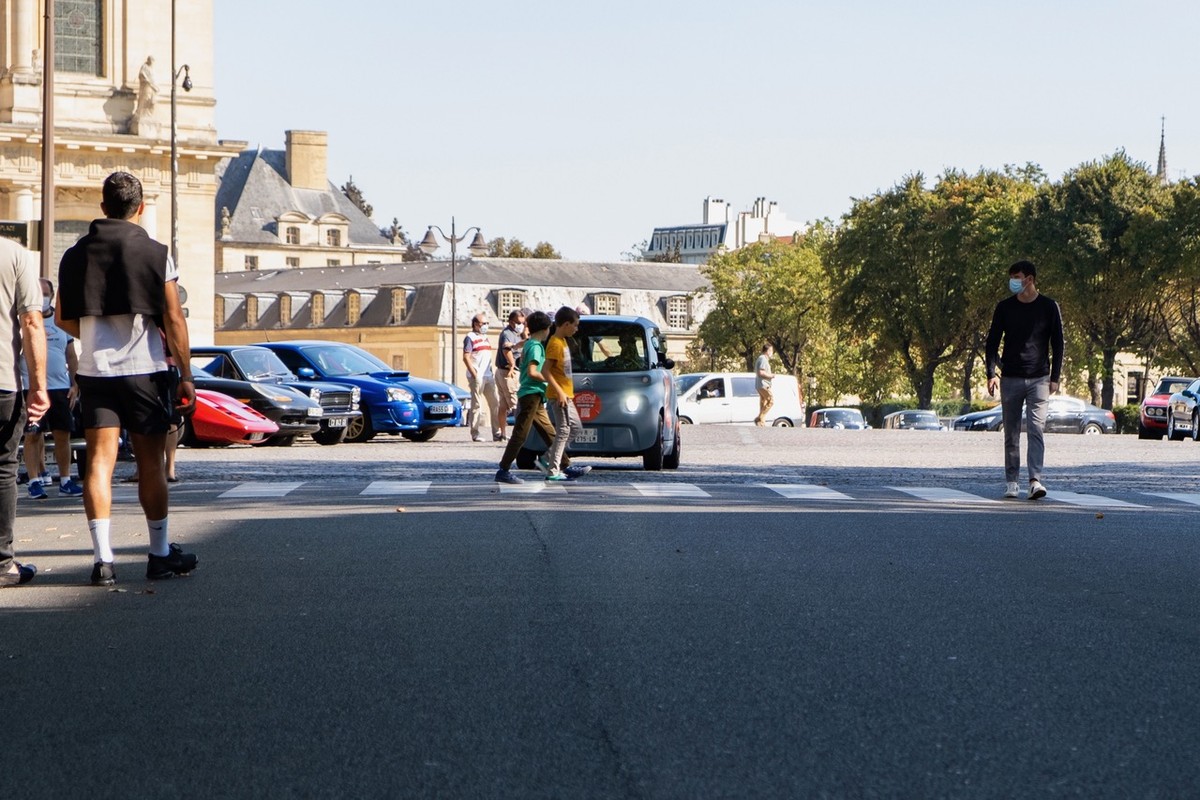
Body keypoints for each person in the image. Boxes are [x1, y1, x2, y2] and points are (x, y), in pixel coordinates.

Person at [57, 171, 198, 586]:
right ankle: (158, 553)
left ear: (103, 208)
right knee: (151, 462)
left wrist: (95, 336)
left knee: (98, 463)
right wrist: (185, 372)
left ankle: (103, 560)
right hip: (145, 371)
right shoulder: (156, 252)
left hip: (96, 371)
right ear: (139, 208)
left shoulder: (74, 255)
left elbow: (64, 315)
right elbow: (173, 316)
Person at [985, 260, 1064, 501]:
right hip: (1010, 378)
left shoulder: (1049, 307)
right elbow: (991, 342)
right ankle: (1011, 482)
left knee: (1036, 430)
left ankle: (1034, 481)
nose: (1013, 282)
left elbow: (1058, 343)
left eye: (1017, 277)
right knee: (1011, 433)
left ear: (1029, 279)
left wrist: (1055, 378)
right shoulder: (1004, 308)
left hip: (1039, 378)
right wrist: (991, 373)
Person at [0, 238, 49, 587]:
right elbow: (32, 321)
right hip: (1, 380)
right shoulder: (14, 253)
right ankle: (2, 564)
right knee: (3, 469)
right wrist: (39, 385)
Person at [22, 278, 82, 499]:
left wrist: (75, 384)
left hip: (60, 387)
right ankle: (34, 480)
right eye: (39, 293)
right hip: (33, 387)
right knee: (33, 434)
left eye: (46, 293)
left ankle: (66, 480)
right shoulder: (25, 319)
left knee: (62, 434)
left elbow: (71, 356)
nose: (43, 297)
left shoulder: (61, 321)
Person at [495, 311, 556, 484]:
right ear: (545, 329)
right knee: (520, 434)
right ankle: (504, 469)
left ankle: (564, 464)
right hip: (531, 394)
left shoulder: (530, 343)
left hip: (535, 394)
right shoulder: (536, 346)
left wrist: (514, 347)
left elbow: (523, 342)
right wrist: (552, 381)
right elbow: (532, 371)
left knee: (550, 432)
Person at [544, 306, 585, 481]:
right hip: (559, 394)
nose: (576, 329)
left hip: (567, 393)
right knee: (563, 430)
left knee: (575, 427)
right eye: (575, 326)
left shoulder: (563, 342)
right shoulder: (554, 343)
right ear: (566, 324)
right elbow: (546, 371)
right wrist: (560, 392)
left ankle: (548, 457)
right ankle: (553, 469)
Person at [463, 313, 501, 442]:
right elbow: (466, 357)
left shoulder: (485, 337)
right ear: (475, 324)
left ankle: (497, 432)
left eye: (486, 323)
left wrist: (490, 372)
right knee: (477, 405)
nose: (485, 326)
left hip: (488, 375)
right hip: (477, 375)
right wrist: (474, 374)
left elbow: (486, 358)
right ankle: (475, 432)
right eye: (482, 323)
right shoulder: (470, 337)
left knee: (495, 403)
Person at [495, 310, 525, 440]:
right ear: (511, 322)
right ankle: (519, 435)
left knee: (503, 405)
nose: (521, 325)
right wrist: (512, 364)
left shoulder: (517, 334)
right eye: (518, 323)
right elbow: (506, 349)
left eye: (522, 323)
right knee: (516, 404)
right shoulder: (507, 333)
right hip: (508, 372)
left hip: (502, 372)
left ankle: (502, 434)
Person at [754, 344, 775, 426]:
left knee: (763, 402)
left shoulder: (760, 358)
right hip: (764, 384)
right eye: (771, 351)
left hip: (759, 384)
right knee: (771, 401)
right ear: (768, 351)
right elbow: (761, 372)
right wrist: (771, 375)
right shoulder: (763, 359)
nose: (772, 353)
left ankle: (761, 422)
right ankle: (760, 417)